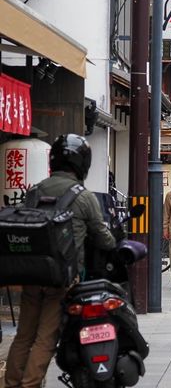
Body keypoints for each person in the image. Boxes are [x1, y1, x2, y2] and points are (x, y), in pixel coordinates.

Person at [5, 134, 116, 388]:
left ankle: (12, 383)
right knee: (46, 337)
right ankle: (30, 384)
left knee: (23, 335)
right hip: (61, 279)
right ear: (82, 165)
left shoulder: (35, 190)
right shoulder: (84, 197)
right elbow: (105, 239)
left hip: (32, 274)